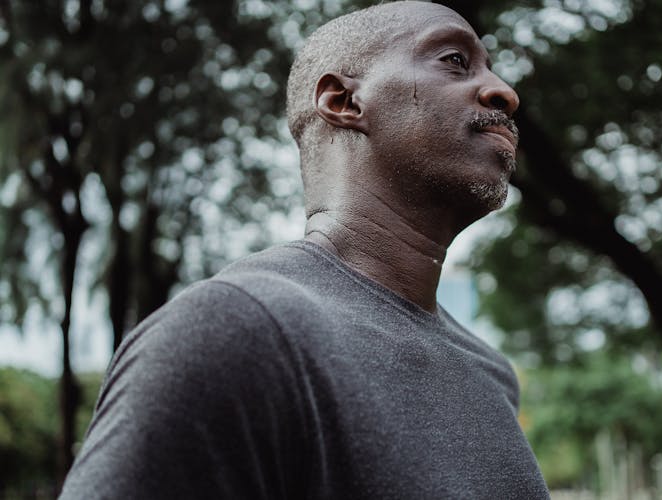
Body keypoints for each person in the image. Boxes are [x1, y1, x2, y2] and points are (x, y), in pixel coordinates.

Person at [60, 1, 549, 498]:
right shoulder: (235, 332)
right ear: (343, 101)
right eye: (454, 60)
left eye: (491, 67)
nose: (503, 92)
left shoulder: (491, 375)